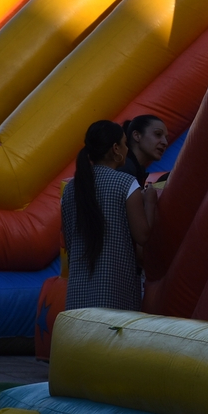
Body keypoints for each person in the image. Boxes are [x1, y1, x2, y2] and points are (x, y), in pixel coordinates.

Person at [63, 121, 157, 311]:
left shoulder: (71, 188)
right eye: (125, 143)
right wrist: (150, 202)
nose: (127, 149)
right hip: (114, 293)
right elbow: (143, 235)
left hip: (77, 295)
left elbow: (69, 241)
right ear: (116, 149)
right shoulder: (126, 183)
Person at [118, 114, 169, 187]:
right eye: (158, 134)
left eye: (166, 139)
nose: (165, 143)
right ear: (137, 136)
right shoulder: (124, 169)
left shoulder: (136, 170)